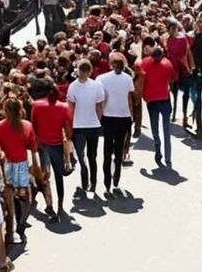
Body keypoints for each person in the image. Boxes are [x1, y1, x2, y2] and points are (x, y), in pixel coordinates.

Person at [0, 98, 37, 241]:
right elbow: (33, 146)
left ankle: (10, 233)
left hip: (6, 166)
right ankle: (21, 225)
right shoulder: (27, 125)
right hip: (21, 165)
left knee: (10, 202)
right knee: (27, 200)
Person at [29, 79, 73, 215]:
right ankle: (60, 203)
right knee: (59, 175)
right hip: (57, 144)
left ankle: (49, 202)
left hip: (43, 144)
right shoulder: (64, 107)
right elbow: (68, 128)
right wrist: (68, 140)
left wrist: (37, 140)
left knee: (44, 174)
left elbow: (33, 124)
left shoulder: (37, 105)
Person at [96, 53, 135, 195]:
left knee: (107, 150)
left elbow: (101, 99)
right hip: (124, 117)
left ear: (111, 65)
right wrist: (132, 116)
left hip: (108, 117)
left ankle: (107, 182)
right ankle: (116, 179)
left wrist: (99, 116)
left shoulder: (102, 79)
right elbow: (130, 99)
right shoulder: (128, 79)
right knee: (119, 150)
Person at [66, 59, 104, 197]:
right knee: (92, 155)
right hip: (93, 126)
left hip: (79, 126)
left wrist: (69, 125)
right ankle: (92, 182)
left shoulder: (73, 87)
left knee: (81, 155)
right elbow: (99, 106)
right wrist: (97, 120)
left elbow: (70, 108)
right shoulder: (97, 86)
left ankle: (85, 178)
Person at [136, 44, 177, 169]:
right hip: (164, 98)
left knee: (154, 126)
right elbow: (173, 78)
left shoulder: (145, 63)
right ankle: (168, 158)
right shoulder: (167, 64)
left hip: (151, 100)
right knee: (166, 130)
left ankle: (157, 145)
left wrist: (141, 93)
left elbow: (140, 78)